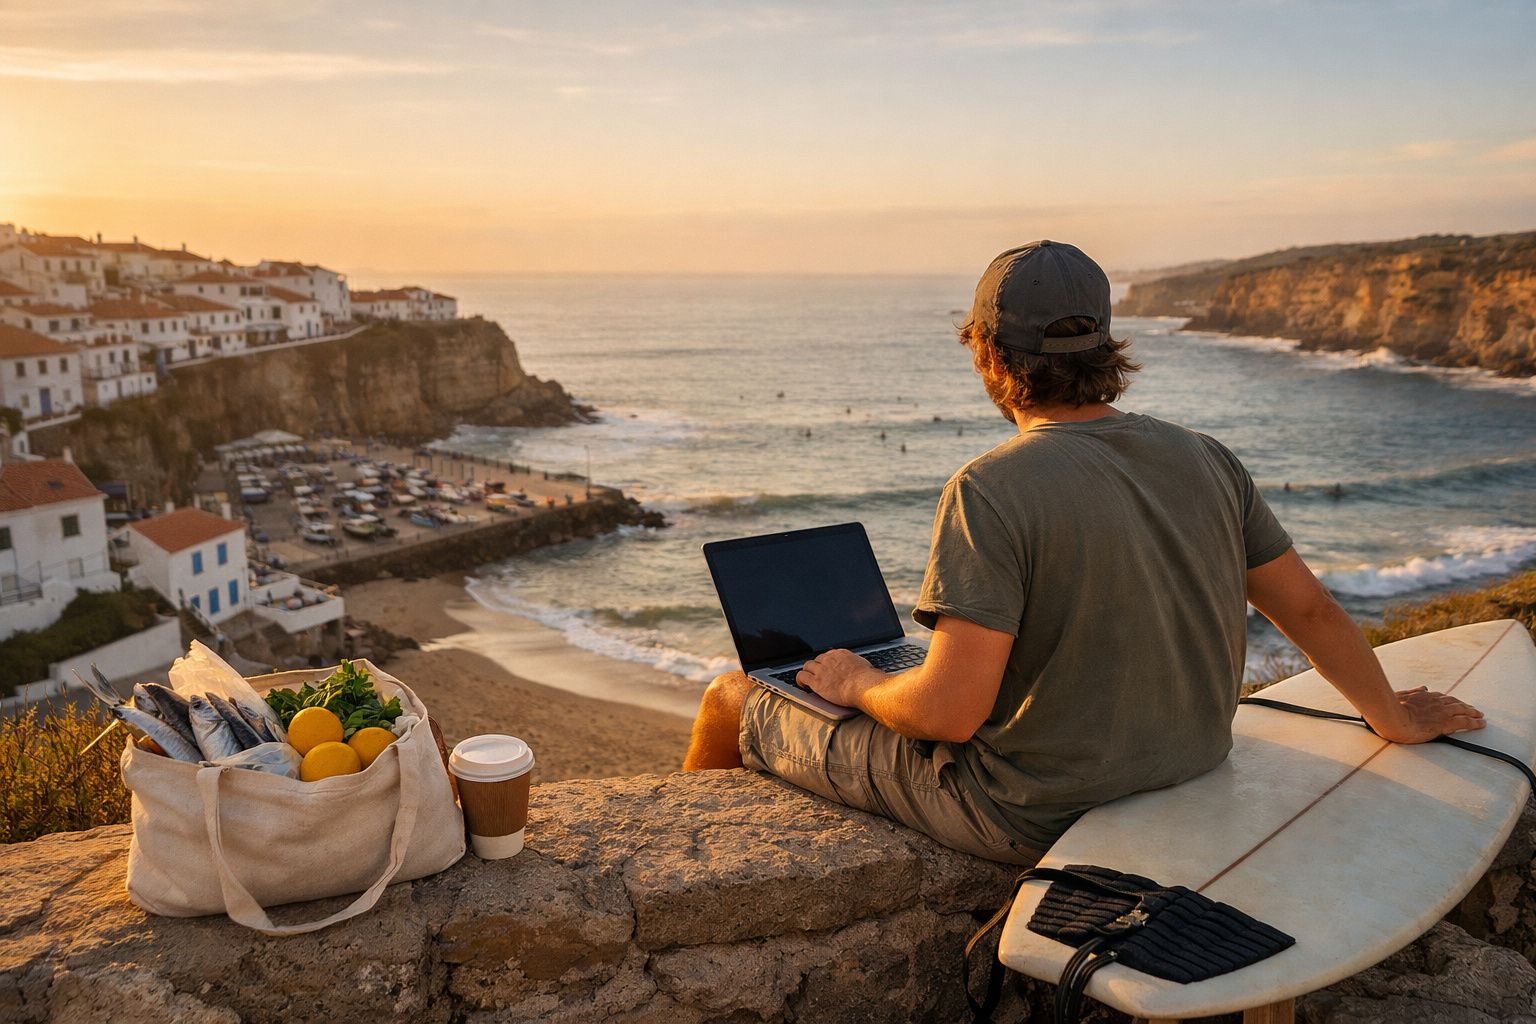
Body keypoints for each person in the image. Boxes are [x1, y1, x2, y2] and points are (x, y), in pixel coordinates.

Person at [682, 240, 1485, 864]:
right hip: (1193, 761)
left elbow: (951, 717)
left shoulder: (989, 488)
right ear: (1104, 346)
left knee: (730, 696)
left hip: (1024, 809)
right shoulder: (1206, 455)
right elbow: (1306, 606)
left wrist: (858, 682)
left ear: (991, 356)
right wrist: (1388, 715)